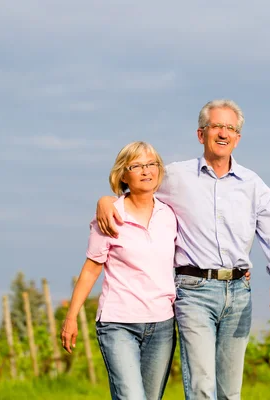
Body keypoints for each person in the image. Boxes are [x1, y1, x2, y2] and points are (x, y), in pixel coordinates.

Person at [96, 99, 270, 400]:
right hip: (194, 291)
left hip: (239, 292)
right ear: (201, 134)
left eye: (230, 128)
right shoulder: (176, 177)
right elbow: (137, 186)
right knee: (202, 387)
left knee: (230, 391)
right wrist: (107, 200)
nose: (222, 133)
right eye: (215, 126)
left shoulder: (253, 184)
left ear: (237, 138)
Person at [61, 141, 177, 400]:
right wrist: (71, 316)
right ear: (123, 174)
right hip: (118, 323)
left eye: (151, 164)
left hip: (162, 324)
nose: (146, 171)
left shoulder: (170, 214)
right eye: (137, 166)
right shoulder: (110, 215)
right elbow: (91, 268)